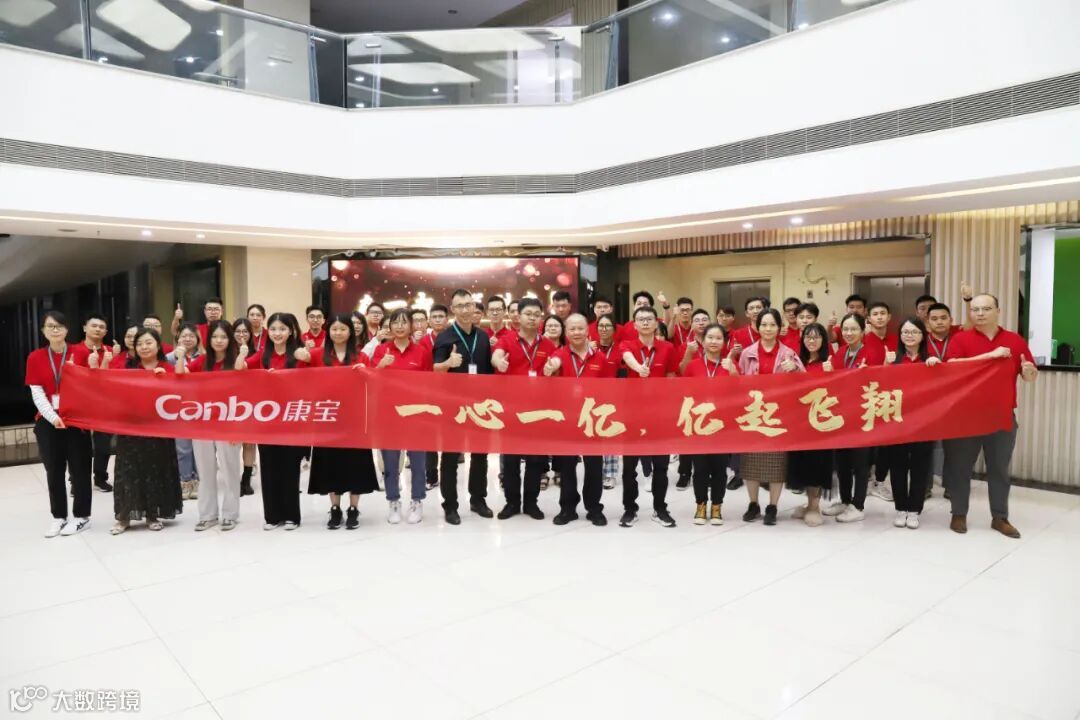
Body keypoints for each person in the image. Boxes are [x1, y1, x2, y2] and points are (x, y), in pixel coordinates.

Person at [943, 293, 1037, 538]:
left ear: (998, 311)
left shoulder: (1014, 340)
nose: (980, 314)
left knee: (999, 469)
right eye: (975, 309)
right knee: (959, 468)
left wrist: (1029, 372)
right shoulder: (961, 339)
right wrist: (991, 355)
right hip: (964, 417)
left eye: (986, 309)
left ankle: (1000, 517)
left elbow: (1028, 374)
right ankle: (958, 513)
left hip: (1001, 416)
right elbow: (951, 368)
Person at [108, 328, 183, 534]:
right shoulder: (128, 368)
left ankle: (152, 514)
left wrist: (164, 380)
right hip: (130, 428)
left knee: (155, 470)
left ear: (158, 345)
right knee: (128, 471)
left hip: (159, 429)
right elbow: (111, 389)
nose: (144, 347)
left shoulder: (167, 367)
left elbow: (180, 393)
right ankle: (124, 517)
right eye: (140, 343)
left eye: (148, 342)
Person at [307, 315, 379, 530]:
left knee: (354, 463)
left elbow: (374, 382)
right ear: (328, 331)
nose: (338, 333)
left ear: (350, 332)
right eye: (334, 329)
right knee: (331, 463)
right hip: (327, 417)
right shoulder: (317, 355)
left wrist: (367, 373)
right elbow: (299, 376)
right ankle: (335, 508)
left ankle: (354, 508)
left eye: (342, 329)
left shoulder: (360, 356)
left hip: (354, 418)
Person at [27, 311, 94, 537]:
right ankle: (59, 517)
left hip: (76, 420)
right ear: (43, 331)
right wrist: (53, 417)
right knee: (54, 470)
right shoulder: (35, 357)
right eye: (50, 326)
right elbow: (37, 392)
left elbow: (90, 386)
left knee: (80, 468)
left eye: (59, 326)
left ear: (67, 329)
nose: (55, 330)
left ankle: (82, 517)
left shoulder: (80, 352)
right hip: (48, 422)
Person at [543, 313, 613, 526]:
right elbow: (553, 363)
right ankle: (567, 508)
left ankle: (594, 508)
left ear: (587, 331)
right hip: (568, 419)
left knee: (594, 466)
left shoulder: (599, 358)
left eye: (580, 328)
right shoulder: (559, 354)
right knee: (567, 466)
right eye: (572, 329)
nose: (576, 332)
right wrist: (550, 368)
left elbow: (609, 388)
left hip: (592, 419)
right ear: (566, 332)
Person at [432, 289, 495, 524]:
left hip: (479, 406)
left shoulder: (483, 337)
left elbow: (488, 372)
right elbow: (434, 370)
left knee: (480, 455)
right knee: (450, 457)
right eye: (460, 306)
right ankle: (450, 505)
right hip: (453, 407)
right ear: (453, 309)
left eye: (469, 305)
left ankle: (478, 499)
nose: (466, 310)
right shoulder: (445, 338)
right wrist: (448, 363)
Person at [737, 308, 805, 525]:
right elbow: (738, 383)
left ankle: (772, 506)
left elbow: (805, 381)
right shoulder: (747, 353)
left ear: (779, 327)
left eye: (772, 325)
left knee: (777, 462)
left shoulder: (789, 353)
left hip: (778, 415)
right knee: (750, 462)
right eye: (764, 324)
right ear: (757, 327)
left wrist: (795, 369)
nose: (768, 329)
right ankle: (753, 504)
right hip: (753, 413)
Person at [175, 320, 244, 532]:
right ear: (208, 339)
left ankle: (230, 514)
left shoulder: (236, 360)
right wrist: (180, 356)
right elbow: (180, 376)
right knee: (205, 472)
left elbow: (244, 385)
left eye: (223, 336)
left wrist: (242, 354)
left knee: (230, 471)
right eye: (215, 336)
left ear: (230, 339)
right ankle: (207, 515)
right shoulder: (202, 361)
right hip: (203, 424)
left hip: (229, 423)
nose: (219, 340)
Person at [492, 297, 556, 520]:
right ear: (518, 316)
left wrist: (552, 370)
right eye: (528, 314)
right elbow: (496, 355)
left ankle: (531, 503)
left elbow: (555, 367)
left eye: (537, 315)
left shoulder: (547, 344)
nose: (532, 318)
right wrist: (499, 363)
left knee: (535, 460)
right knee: (510, 460)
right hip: (511, 409)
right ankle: (511, 503)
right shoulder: (507, 340)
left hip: (537, 410)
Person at [247, 312, 311, 530]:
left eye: (282, 329)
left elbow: (312, 376)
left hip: (292, 419)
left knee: (290, 468)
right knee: (269, 467)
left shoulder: (299, 354)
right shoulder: (262, 355)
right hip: (267, 420)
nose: (277, 333)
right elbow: (241, 369)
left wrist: (307, 357)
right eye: (273, 329)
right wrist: (242, 355)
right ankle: (272, 516)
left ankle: (292, 515)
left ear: (291, 331)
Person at [618, 305, 680, 528]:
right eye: (641, 319)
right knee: (629, 467)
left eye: (649, 319)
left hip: (659, 414)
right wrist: (639, 368)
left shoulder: (667, 347)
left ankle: (660, 508)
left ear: (656, 323)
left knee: (661, 466)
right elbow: (626, 357)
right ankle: (630, 509)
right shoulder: (627, 345)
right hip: (633, 414)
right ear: (634, 325)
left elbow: (671, 375)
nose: (645, 322)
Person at [372, 309, 432, 525]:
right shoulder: (381, 350)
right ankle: (393, 501)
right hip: (389, 413)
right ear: (389, 326)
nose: (399, 326)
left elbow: (429, 382)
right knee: (390, 461)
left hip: (416, 413)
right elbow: (371, 379)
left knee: (417, 460)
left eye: (403, 322)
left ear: (411, 326)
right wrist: (381, 365)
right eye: (395, 322)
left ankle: (417, 500)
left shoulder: (422, 351)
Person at [820, 312, 881, 522]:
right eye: (845, 329)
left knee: (860, 463)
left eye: (853, 329)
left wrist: (868, 373)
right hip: (841, 415)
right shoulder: (840, 353)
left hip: (863, 415)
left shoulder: (872, 352)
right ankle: (845, 501)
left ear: (863, 331)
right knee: (842, 461)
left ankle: (858, 505)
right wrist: (828, 371)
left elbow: (880, 380)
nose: (848, 333)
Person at [883, 317, 941, 530]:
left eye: (914, 332)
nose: (909, 336)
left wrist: (937, 367)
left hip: (923, 424)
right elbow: (881, 386)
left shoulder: (930, 359)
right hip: (897, 423)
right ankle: (900, 508)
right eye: (905, 332)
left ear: (922, 336)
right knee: (897, 466)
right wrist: (886, 365)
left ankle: (914, 510)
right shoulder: (893, 358)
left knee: (920, 467)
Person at [682, 323, 737, 525]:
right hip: (698, 424)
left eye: (718, 338)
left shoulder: (730, 364)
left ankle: (716, 507)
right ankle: (700, 505)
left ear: (724, 342)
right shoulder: (693, 366)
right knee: (700, 468)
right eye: (710, 338)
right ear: (702, 341)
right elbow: (684, 392)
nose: (714, 341)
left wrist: (733, 372)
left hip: (722, 425)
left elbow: (740, 392)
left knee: (720, 469)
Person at [788, 322, 833, 527]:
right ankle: (809, 504)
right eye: (808, 336)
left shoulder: (829, 361)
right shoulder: (797, 361)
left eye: (816, 337)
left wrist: (831, 373)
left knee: (818, 464)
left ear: (823, 340)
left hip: (821, 423)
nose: (811, 340)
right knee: (803, 463)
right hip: (799, 421)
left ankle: (815, 507)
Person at [72, 312, 115, 493]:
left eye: (101, 327)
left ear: (106, 331)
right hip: (80, 404)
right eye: (94, 325)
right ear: (85, 328)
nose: (97, 329)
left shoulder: (110, 352)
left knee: (103, 446)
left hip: (104, 405)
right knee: (78, 446)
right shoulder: (74, 350)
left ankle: (100, 477)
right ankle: (76, 480)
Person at [674, 308, 713, 491]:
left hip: (712, 397)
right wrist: (689, 352)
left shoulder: (716, 341)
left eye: (704, 319)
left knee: (709, 435)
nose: (701, 322)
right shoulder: (685, 345)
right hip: (690, 397)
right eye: (697, 320)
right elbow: (681, 370)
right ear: (692, 323)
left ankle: (708, 472)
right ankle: (684, 473)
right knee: (687, 435)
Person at [864, 301, 899, 502]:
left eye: (882, 313)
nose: (879, 317)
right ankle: (865, 480)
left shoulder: (897, 339)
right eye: (875, 314)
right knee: (867, 444)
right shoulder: (861, 340)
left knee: (886, 443)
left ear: (889, 317)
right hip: (867, 399)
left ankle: (879, 481)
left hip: (890, 399)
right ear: (868, 318)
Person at [166, 323, 203, 501]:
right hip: (178, 408)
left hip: (201, 407)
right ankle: (185, 480)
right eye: (184, 336)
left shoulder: (203, 357)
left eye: (191, 336)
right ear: (177, 338)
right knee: (182, 448)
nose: (187, 339)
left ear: (197, 339)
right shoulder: (169, 358)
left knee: (200, 447)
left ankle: (197, 480)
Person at [231, 318, 259, 497]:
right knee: (233, 443)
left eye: (245, 332)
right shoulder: (226, 352)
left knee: (249, 443)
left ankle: (246, 479)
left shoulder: (257, 353)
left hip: (252, 402)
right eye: (238, 331)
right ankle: (233, 479)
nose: (241, 335)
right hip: (230, 403)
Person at [595, 314, 621, 490]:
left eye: (607, 326)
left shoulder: (621, 349)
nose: (604, 329)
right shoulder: (590, 348)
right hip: (592, 398)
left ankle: (611, 473)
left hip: (614, 398)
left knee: (611, 435)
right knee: (594, 435)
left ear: (614, 329)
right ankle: (597, 472)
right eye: (601, 326)